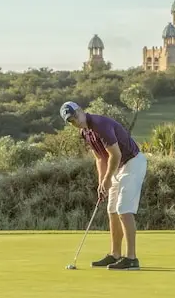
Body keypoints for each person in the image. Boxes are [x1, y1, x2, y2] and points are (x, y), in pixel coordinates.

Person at [60, 101, 148, 271]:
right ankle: (115, 254)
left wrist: (108, 179)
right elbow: (100, 158)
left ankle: (131, 258)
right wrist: (102, 183)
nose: (75, 122)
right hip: (118, 166)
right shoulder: (84, 132)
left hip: (132, 162)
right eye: (71, 121)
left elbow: (115, 154)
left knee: (123, 209)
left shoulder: (100, 125)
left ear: (81, 111)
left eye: (75, 116)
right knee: (112, 210)